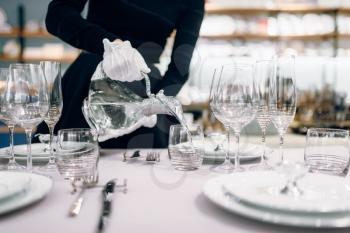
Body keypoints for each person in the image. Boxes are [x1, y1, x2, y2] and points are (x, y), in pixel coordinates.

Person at [36, 0, 204, 148]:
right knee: (69, 166)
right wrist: (109, 45)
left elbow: (180, 67)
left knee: (137, 175)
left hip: (143, 91)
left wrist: (155, 104)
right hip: (89, 79)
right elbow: (57, 14)